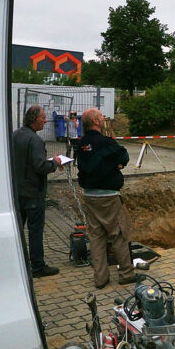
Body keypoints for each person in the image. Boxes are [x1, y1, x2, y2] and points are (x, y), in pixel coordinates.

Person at [76, 108, 136, 289]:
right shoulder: (105, 142)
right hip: (109, 197)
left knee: (96, 237)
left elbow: (92, 163)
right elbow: (124, 155)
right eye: (101, 116)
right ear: (95, 121)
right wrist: (117, 163)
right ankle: (126, 274)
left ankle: (101, 278)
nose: (103, 118)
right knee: (118, 234)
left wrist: (109, 162)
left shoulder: (81, 143)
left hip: (90, 196)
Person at [11, 105, 63, 277]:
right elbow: (40, 166)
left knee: (18, 230)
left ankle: (15, 262)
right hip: (33, 192)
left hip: (17, 191)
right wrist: (55, 162)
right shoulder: (36, 140)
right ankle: (38, 266)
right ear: (34, 119)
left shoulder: (16, 135)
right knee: (35, 231)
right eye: (42, 117)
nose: (45, 120)